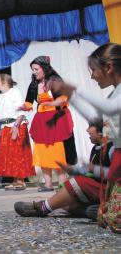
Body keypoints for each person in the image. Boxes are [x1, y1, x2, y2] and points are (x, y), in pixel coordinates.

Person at [48, 43, 121, 233]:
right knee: (110, 219)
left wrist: (78, 89)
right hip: (117, 160)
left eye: (94, 70)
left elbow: (110, 110)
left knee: (115, 219)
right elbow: (97, 120)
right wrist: (71, 96)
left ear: (109, 67)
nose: (92, 76)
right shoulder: (114, 94)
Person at [14, 120, 114, 218]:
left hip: (111, 191)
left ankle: (42, 208)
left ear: (103, 130)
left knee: (78, 183)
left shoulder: (113, 149)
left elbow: (115, 175)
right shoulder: (96, 148)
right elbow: (89, 171)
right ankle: (88, 211)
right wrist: (73, 170)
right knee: (62, 195)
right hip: (98, 190)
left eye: (91, 126)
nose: (87, 130)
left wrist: (94, 169)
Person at [17, 56, 76, 192]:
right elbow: (28, 102)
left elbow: (63, 98)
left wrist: (53, 103)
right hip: (42, 120)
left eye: (36, 69)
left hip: (56, 119)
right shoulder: (33, 85)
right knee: (43, 152)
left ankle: (62, 183)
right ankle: (48, 184)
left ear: (44, 68)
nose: (34, 72)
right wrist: (24, 107)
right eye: (33, 70)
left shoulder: (55, 81)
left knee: (58, 153)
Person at [0, 74, 35, 191]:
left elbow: (21, 111)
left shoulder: (15, 92)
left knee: (18, 153)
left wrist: (16, 125)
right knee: (9, 154)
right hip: (5, 126)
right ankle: (15, 180)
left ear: (4, 81)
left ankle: (21, 181)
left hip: (16, 124)